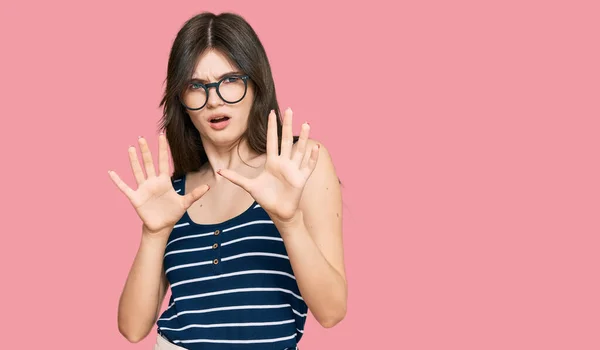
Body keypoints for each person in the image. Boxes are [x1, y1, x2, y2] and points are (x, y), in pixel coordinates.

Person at [109, 11, 347, 350]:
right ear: (182, 100)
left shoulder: (301, 165)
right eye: (196, 86)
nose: (215, 98)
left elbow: (332, 311)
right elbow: (133, 329)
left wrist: (288, 222)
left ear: (256, 84)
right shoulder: (174, 194)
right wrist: (154, 233)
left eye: (231, 80)